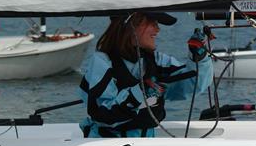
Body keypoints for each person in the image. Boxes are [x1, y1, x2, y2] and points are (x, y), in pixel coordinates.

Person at [78, 11, 213, 138]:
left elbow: (193, 85)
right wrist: (139, 94)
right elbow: (101, 115)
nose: (157, 29)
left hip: (145, 145)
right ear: (130, 25)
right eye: (151, 22)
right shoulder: (102, 63)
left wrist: (199, 59)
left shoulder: (157, 61)